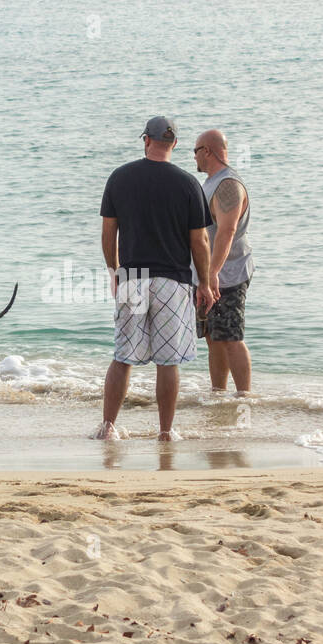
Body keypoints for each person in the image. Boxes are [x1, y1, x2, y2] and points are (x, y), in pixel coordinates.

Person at [96, 116, 217, 441]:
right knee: (168, 361)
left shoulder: (120, 178)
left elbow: (109, 232)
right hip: (174, 281)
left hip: (133, 276)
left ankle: (108, 428)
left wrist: (114, 270)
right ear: (174, 144)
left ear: (146, 140)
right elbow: (200, 241)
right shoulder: (188, 183)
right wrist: (204, 283)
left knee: (123, 357)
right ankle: (165, 431)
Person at [192, 129, 253, 393]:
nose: (194, 157)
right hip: (208, 277)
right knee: (213, 338)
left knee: (231, 338)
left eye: (195, 151)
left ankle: (244, 398)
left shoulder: (228, 185)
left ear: (207, 151)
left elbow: (227, 230)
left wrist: (213, 272)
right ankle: (218, 395)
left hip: (227, 275)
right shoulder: (211, 182)